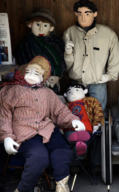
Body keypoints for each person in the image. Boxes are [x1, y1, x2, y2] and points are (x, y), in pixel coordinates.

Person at [0, 56, 86, 192]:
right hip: (25, 134)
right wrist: (7, 137)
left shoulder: (47, 92)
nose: (33, 75)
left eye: (37, 73)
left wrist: (73, 120)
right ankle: (23, 190)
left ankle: (62, 187)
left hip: (47, 130)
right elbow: (3, 116)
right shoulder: (10, 91)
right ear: (22, 73)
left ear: (43, 78)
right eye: (29, 71)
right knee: (39, 158)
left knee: (63, 152)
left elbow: (60, 110)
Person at [63, 0, 119, 110]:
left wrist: (109, 75)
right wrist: (68, 52)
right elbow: (66, 64)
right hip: (77, 82)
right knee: (76, 113)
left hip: (98, 81)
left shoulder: (107, 33)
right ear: (76, 14)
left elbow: (115, 56)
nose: (83, 18)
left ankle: (96, 128)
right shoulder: (69, 33)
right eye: (80, 14)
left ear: (95, 13)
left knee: (97, 113)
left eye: (87, 13)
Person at [16, 8, 66, 94]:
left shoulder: (57, 42)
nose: (41, 29)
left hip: (52, 82)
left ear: (51, 28)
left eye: (45, 25)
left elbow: (62, 61)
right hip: (31, 82)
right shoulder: (25, 43)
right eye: (37, 24)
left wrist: (57, 76)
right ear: (30, 24)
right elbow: (22, 62)